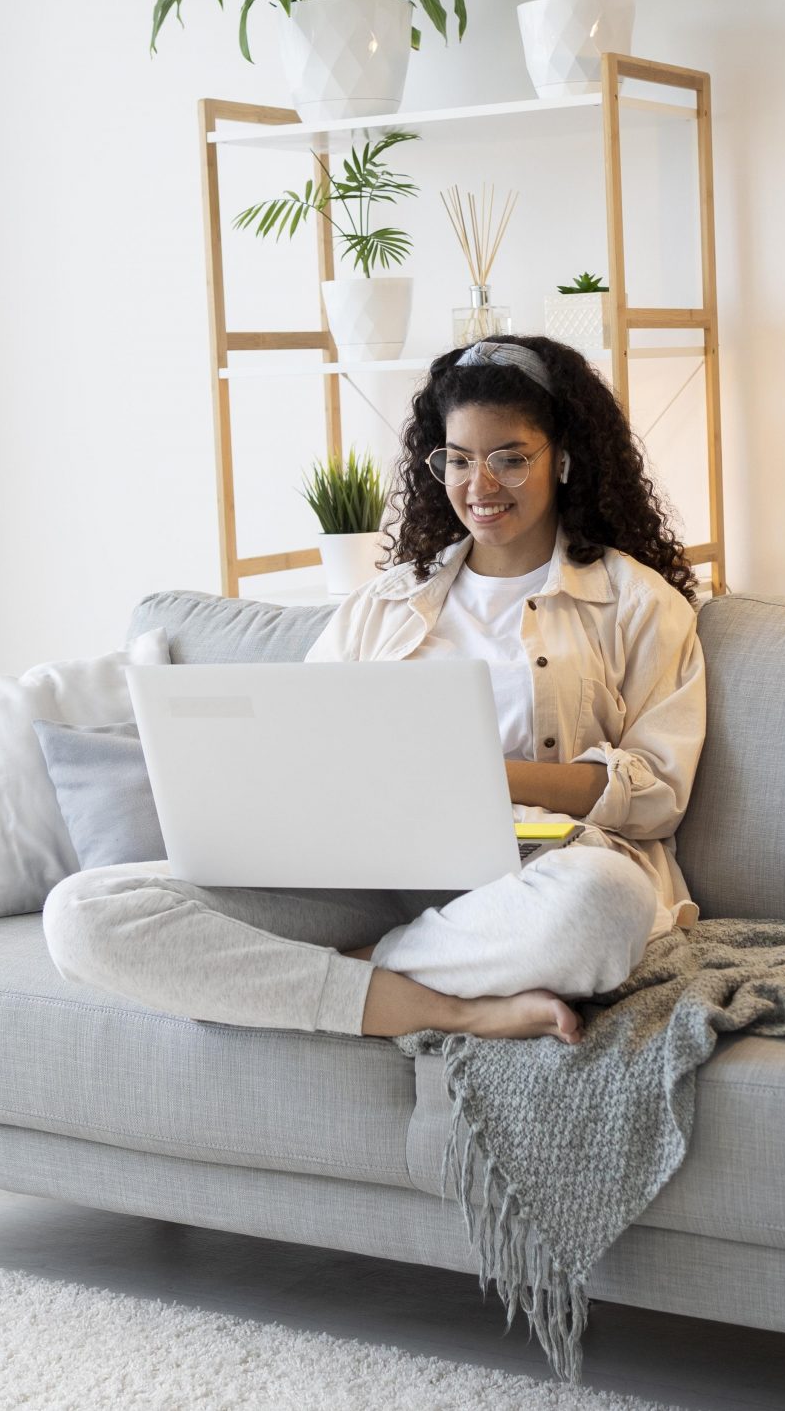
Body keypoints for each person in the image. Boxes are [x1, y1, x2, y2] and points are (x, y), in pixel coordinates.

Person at [43, 336, 706, 1043]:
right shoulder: (385, 603)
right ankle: (444, 1004)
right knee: (82, 911)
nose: (480, 485)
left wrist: (483, 775)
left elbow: (658, 792)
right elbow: (306, 743)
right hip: (367, 877)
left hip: (530, 878)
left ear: (564, 458)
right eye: (457, 459)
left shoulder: (639, 604)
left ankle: (335, 978)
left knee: (608, 902)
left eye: (509, 457)